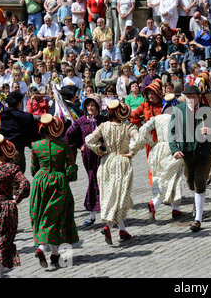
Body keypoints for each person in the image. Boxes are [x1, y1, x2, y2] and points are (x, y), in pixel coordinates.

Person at [85, 101, 143, 244]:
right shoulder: (128, 127)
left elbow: (88, 140)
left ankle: (122, 229)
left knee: (112, 195)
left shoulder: (103, 126)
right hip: (122, 162)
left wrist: (100, 151)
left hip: (107, 162)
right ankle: (108, 226)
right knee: (119, 196)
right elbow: (140, 138)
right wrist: (132, 152)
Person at [30, 114, 79, 267]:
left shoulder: (36, 146)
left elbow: (33, 168)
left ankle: (55, 254)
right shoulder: (64, 146)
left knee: (44, 212)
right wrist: (69, 175)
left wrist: (40, 176)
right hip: (58, 182)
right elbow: (71, 170)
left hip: (40, 182)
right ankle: (42, 247)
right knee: (56, 215)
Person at [168, 85, 211, 232]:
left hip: (203, 152)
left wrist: (210, 130)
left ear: (198, 97)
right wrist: (175, 150)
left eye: (193, 96)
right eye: (188, 96)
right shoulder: (179, 110)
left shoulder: (207, 110)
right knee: (190, 182)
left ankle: (198, 219)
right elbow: (171, 131)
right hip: (186, 152)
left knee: (200, 182)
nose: (191, 99)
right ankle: (197, 202)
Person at [139, 93, 184, 221]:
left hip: (158, 149)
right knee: (173, 177)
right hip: (173, 149)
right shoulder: (178, 118)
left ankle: (176, 208)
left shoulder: (156, 118)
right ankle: (155, 203)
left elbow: (142, 130)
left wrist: (152, 143)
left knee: (163, 176)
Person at [65, 94, 107, 227]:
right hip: (89, 156)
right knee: (93, 180)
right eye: (88, 105)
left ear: (98, 107)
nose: (91, 107)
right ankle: (92, 214)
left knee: (104, 180)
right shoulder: (81, 121)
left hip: (103, 155)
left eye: (93, 105)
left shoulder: (104, 120)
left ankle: (107, 212)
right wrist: (80, 145)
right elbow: (69, 135)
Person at [0, 134, 30, 278]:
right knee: (2, 241)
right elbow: (25, 184)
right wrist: (17, 199)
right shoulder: (11, 168)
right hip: (5, 208)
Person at [0, 91, 37, 174]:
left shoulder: (0, 116)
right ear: (19, 103)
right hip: (17, 151)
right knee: (17, 180)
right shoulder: (26, 117)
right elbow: (34, 134)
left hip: (2, 153)